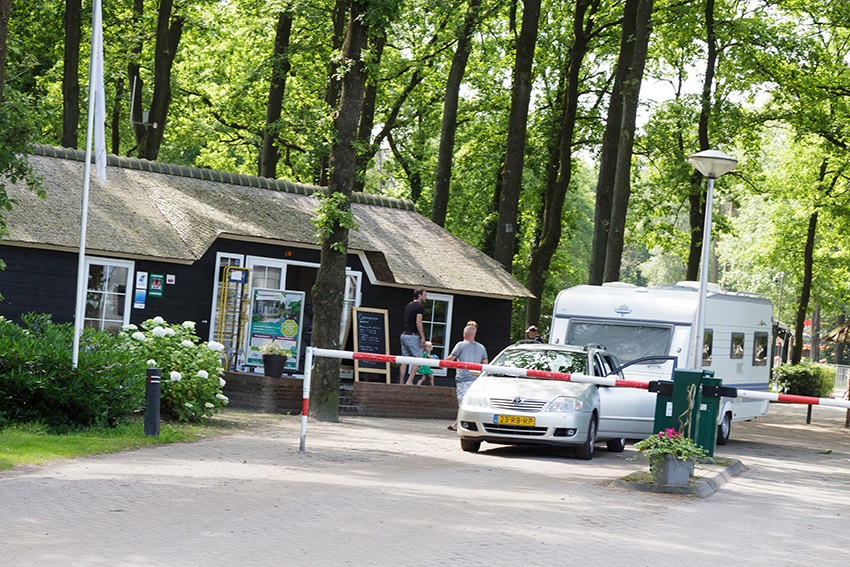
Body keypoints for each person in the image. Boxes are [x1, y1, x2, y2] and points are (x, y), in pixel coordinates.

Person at [445, 325, 488, 431]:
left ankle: (459, 425)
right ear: (474, 334)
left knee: (462, 402)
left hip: (463, 379)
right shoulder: (481, 347)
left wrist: (441, 364)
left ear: (464, 334)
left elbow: (451, 358)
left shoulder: (460, 345)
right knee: (471, 401)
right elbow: (485, 364)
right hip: (476, 379)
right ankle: (457, 424)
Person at [399, 289, 427, 384]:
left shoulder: (408, 305)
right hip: (412, 336)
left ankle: (401, 382)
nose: (426, 297)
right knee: (419, 359)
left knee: (404, 359)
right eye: (424, 295)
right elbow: (418, 322)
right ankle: (409, 381)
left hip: (404, 335)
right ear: (419, 295)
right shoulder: (420, 307)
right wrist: (422, 337)